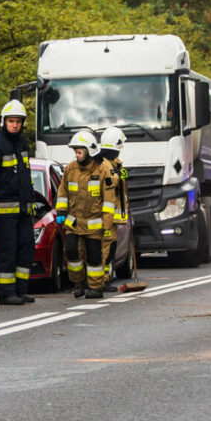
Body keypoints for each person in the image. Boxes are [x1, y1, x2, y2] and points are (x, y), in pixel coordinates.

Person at [0, 99, 37, 305]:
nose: (15, 125)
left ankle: (20, 290)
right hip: (3, 211)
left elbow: (26, 176)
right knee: (6, 250)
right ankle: (5, 293)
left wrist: (30, 203)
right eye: (11, 121)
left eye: (18, 121)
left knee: (26, 248)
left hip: (22, 209)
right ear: (3, 121)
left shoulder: (22, 144)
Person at [56, 130, 117, 299]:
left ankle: (96, 288)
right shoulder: (70, 168)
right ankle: (79, 282)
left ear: (90, 150)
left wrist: (107, 225)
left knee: (94, 257)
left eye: (79, 151)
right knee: (71, 252)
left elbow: (109, 201)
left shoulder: (103, 170)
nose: (76, 154)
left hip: (94, 223)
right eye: (75, 151)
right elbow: (63, 191)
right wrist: (61, 210)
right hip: (73, 222)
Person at [98, 127, 133, 287]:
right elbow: (110, 183)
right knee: (107, 246)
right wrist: (118, 176)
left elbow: (123, 181)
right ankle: (103, 279)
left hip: (115, 215)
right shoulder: (104, 165)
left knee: (111, 246)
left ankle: (105, 276)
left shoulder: (116, 164)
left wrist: (123, 173)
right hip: (107, 215)